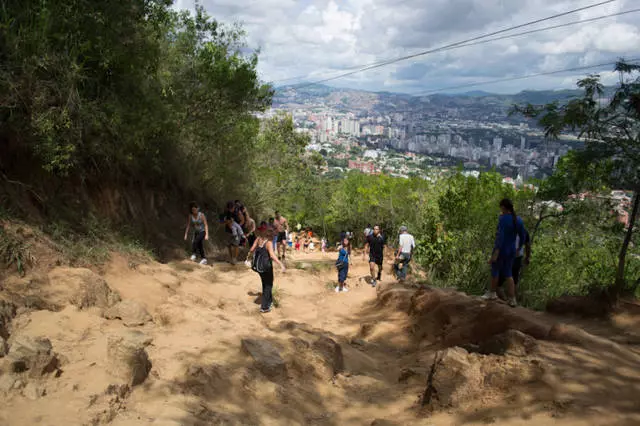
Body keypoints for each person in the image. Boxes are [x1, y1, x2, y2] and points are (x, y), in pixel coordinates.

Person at [483, 198, 525, 307]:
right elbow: (523, 236)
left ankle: (492, 293)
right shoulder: (519, 220)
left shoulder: (503, 219)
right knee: (508, 273)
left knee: (495, 270)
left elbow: (500, 237)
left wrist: (496, 252)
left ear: (503, 207)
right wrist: (518, 248)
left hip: (501, 249)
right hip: (512, 250)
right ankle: (512, 299)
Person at [249, 224, 286, 313]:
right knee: (268, 285)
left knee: (265, 284)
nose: (271, 232)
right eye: (269, 231)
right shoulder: (268, 242)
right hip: (266, 266)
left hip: (259, 266)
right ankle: (264, 307)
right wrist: (280, 264)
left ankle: (269, 302)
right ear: (265, 231)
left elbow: (251, 249)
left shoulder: (258, 239)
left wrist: (250, 257)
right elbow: (272, 255)